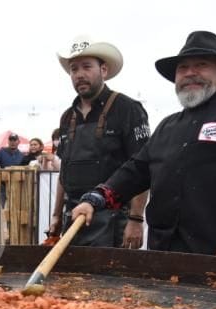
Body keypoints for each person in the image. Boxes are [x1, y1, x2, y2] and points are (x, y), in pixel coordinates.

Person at [72, 31, 216, 258]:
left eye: (201, 65)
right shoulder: (167, 126)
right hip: (162, 252)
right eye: (183, 68)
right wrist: (95, 199)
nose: (190, 73)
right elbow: (135, 171)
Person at [49, 35, 150, 249]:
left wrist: (136, 219)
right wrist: (56, 215)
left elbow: (142, 168)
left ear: (103, 70)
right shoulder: (67, 117)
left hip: (114, 219)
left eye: (87, 67)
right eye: (74, 69)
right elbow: (64, 172)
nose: (79, 74)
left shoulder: (128, 109)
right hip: (73, 217)